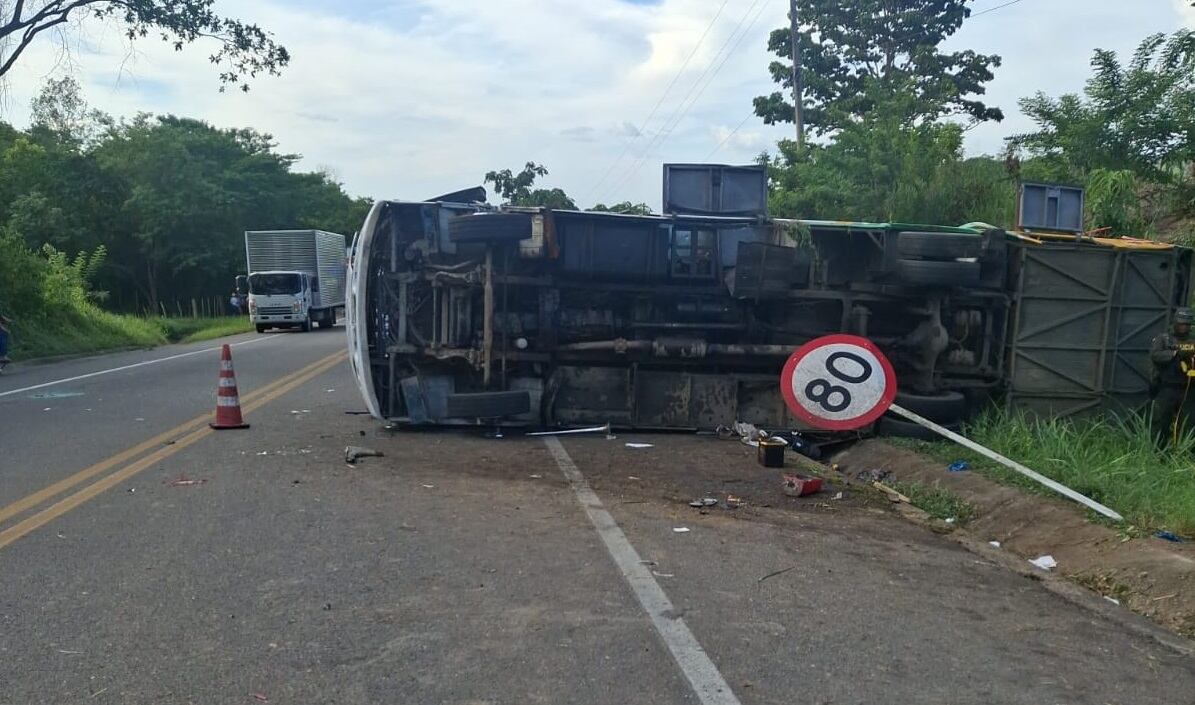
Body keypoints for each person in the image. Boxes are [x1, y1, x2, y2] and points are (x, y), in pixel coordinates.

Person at [1150, 307, 1195, 447]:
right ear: (1175, 322)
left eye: (1186, 324)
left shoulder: (1193, 340)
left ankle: (1184, 454)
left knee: (1188, 423)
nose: (1183, 327)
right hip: (1167, 388)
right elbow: (1155, 355)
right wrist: (1175, 354)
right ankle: (1158, 454)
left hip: (1188, 390)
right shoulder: (1164, 338)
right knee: (1161, 422)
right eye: (1181, 323)